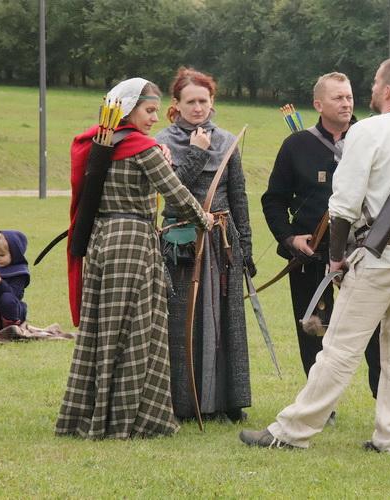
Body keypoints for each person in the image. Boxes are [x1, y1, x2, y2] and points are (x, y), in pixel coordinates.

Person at [240, 58, 390, 454]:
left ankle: (291, 432)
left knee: (339, 346)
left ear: (388, 90)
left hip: (380, 256)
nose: (369, 90)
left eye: (375, 82)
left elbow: (344, 205)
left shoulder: (366, 131)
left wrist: (335, 257)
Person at [56, 77, 213, 439]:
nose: (155, 118)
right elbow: (176, 194)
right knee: (138, 328)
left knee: (104, 329)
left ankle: (93, 415)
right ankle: (133, 419)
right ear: (128, 110)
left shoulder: (100, 143)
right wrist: (203, 219)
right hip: (132, 242)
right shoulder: (142, 148)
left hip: (102, 240)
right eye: (149, 110)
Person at [261, 72, 381, 413]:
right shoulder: (297, 145)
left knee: (376, 331)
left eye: (349, 96)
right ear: (318, 104)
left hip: (363, 252)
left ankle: (387, 404)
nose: (346, 103)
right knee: (314, 331)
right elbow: (274, 199)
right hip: (312, 254)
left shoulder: (370, 139)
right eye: (337, 98)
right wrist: (288, 238)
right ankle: (318, 409)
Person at [156, 67, 253, 423]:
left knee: (227, 323)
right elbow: (172, 193)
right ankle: (185, 403)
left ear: (212, 102)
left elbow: (238, 197)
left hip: (223, 241)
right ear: (177, 104)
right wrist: (196, 153)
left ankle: (229, 402)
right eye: (190, 102)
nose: (197, 108)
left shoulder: (227, 141)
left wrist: (246, 249)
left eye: (203, 101)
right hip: (182, 241)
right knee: (184, 322)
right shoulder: (163, 141)